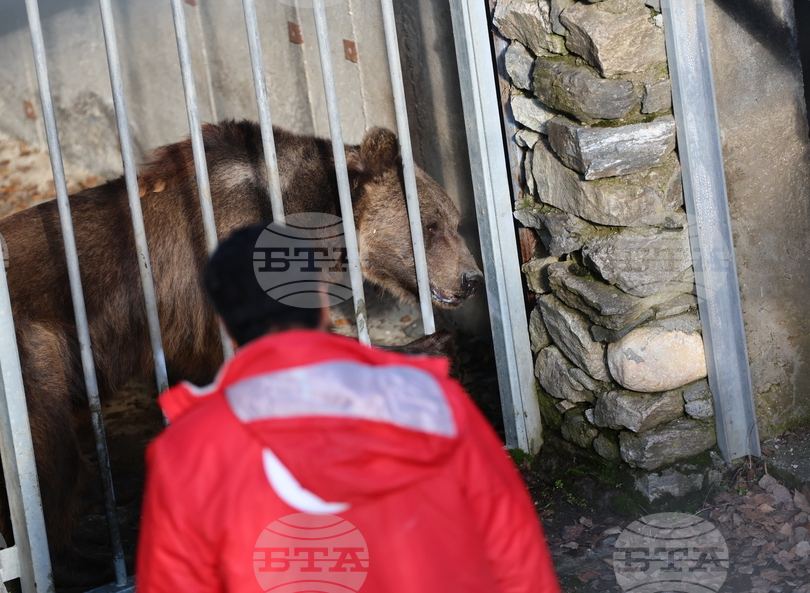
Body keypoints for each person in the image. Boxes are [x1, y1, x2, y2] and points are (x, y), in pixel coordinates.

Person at [136, 224, 560, 592]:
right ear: (323, 300)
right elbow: (512, 546)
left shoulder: (186, 454)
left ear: (225, 325)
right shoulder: (431, 402)